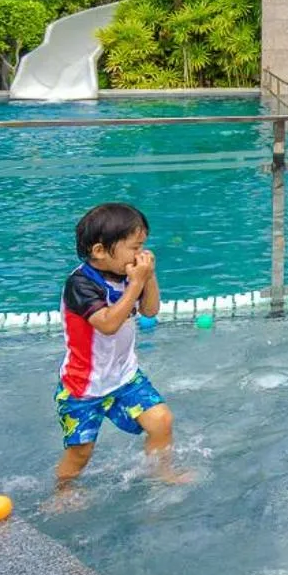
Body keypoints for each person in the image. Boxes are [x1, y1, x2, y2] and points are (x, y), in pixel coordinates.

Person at [52, 202, 180, 502]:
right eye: (135, 247)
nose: (141, 255)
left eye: (143, 246)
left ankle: (161, 473)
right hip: (83, 386)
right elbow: (108, 324)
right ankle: (62, 491)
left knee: (161, 421)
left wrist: (148, 278)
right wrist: (135, 283)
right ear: (99, 251)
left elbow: (149, 310)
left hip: (125, 377)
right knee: (80, 452)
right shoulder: (80, 284)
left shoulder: (126, 273)